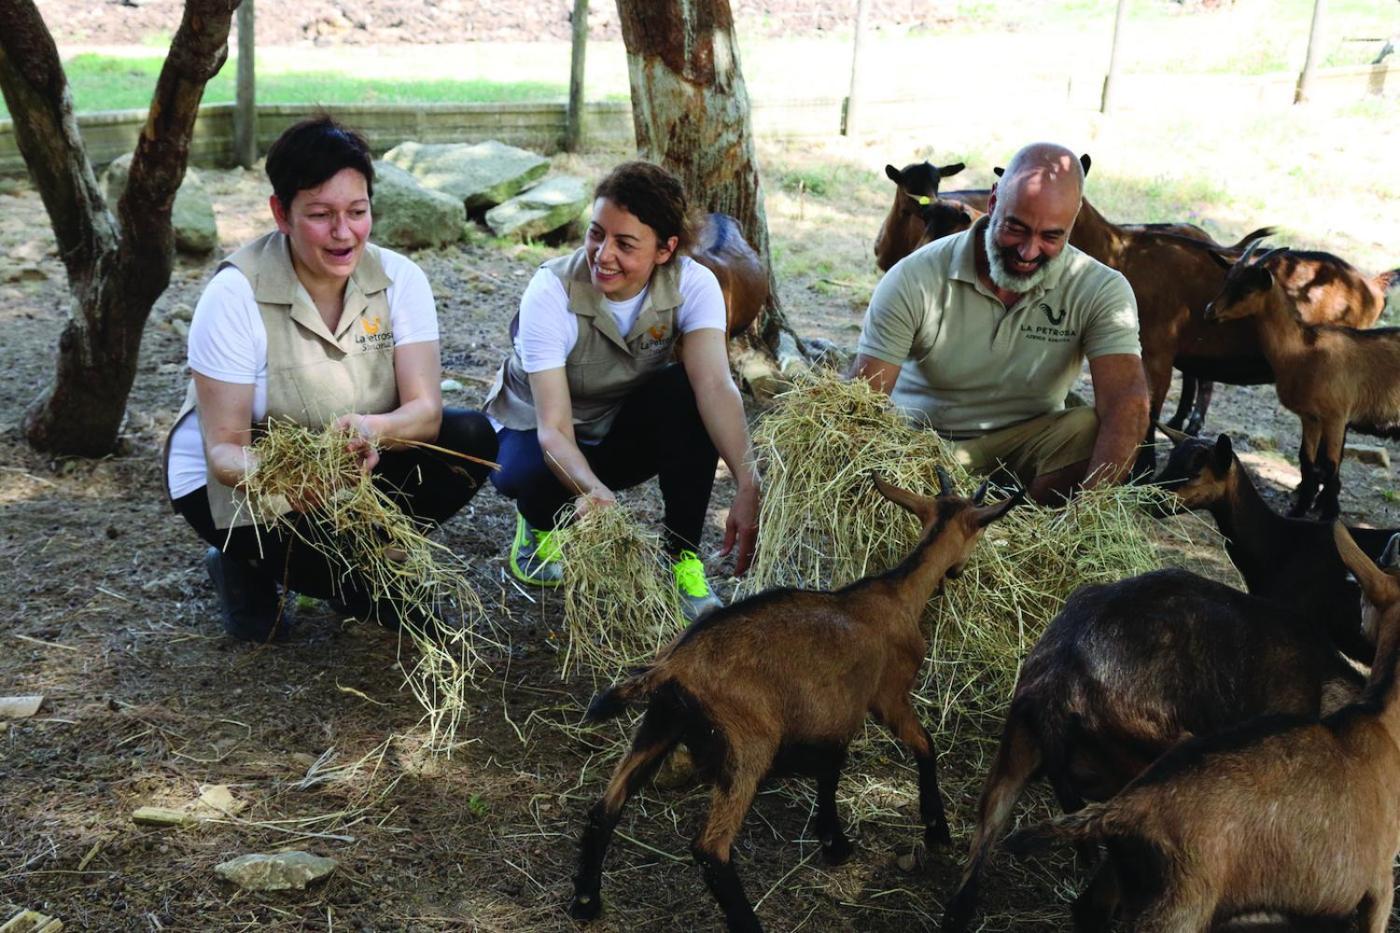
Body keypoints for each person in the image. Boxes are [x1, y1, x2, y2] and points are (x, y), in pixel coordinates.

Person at [164, 116, 498, 641]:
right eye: (320, 215)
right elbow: (224, 454)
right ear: (281, 213)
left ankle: (363, 568)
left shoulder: (399, 279)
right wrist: (290, 479)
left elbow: (426, 414)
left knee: (471, 438)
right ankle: (241, 564)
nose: (344, 233)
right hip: (243, 487)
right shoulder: (234, 295)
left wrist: (371, 430)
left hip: (345, 471)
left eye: (358, 212)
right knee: (345, 592)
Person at [484, 161, 760, 620]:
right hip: (538, 427)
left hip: (615, 422)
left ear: (665, 250)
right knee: (524, 474)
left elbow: (715, 385)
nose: (602, 254)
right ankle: (537, 524)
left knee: (689, 395)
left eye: (625, 243)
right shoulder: (551, 290)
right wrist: (592, 492)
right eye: (596, 234)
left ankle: (682, 559)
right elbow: (552, 428)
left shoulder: (694, 283)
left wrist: (748, 481)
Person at [852, 142, 1150, 502]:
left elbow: (1126, 401)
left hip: (1029, 445)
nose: (1028, 251)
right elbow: (862, 401)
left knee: (1090, 428)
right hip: (922, 449)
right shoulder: (913, 277)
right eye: (1016, 228)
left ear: (1074, 220)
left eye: (1051, 236)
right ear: (992, 203)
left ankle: (1036, 533)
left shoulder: (1102, 289)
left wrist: (1086, 515)